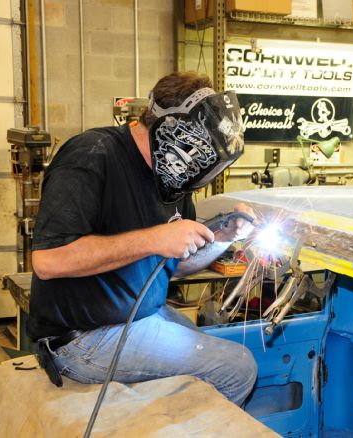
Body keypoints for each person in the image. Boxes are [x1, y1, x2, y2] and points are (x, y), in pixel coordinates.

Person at [27, 71, 257, 406]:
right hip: (83, 339)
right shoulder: (91, 155)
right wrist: (154, 239)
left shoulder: (172, 175)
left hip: (141, 318)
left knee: (216, 350)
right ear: (172, 130)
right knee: (237, 368)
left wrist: (224, 236)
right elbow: (48, 261)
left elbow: (173, 266)